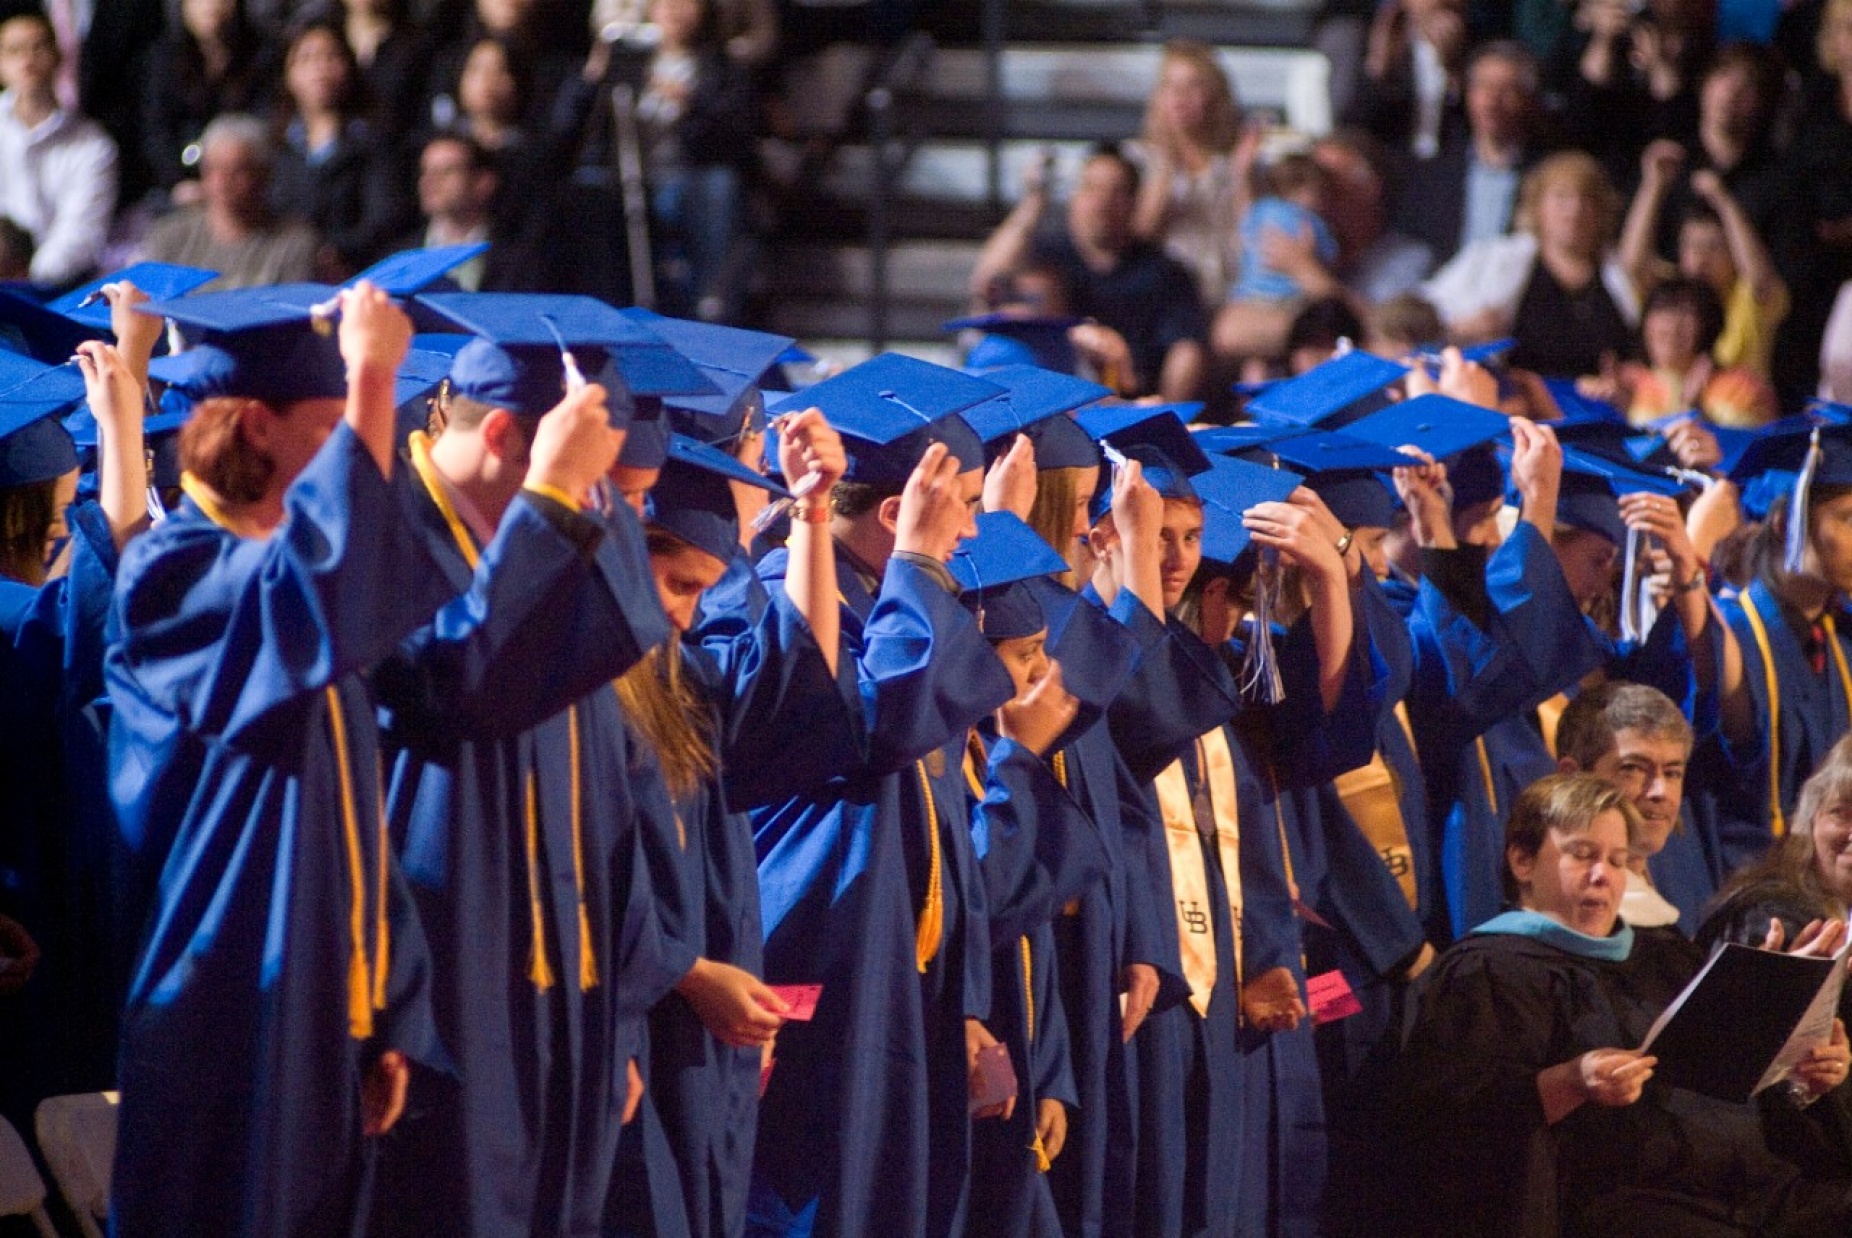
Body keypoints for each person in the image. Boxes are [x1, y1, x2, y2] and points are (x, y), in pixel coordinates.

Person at [104, 283, 455, 1237]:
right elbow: (328, 586)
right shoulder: (171, 574)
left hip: (326, 1016)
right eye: (334, 424)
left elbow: (352, 822)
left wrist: (389, 1010)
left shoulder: (277, 579)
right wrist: (376, 375)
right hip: (227, 1015)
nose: (356, 445)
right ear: (257, 426)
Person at [365, 318, 688, 1238]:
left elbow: (609, 800)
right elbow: (459, 687)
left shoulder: (532, 544)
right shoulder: (383, 534)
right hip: (440, 1011)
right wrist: (551, 497)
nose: (592, 509)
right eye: (582, 478)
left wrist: (612, 1025)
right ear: (507, 437)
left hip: (560, 1015)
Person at [739, 355, 1019, 1238]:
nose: (973, 531)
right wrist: (923, 565)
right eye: (964, 506)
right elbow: (883, 723)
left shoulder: (896, 602)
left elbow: (938, 820)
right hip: (807, 984)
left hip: (899, 984)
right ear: (901, 514)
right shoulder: (763, 606)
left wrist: (965, 1002)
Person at [1391, 772, 1852, 1238]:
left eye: (1617, 860)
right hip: (1628, 1205)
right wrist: (1570, 1082)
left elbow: (1735, 1083)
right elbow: (1453, 1127)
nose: (1603, 876)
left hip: (1757, 1190)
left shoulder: (1664, 953)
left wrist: (1801, 1071)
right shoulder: (1487, 972)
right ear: (1522, 861)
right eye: (1582, 854)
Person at [610, 423, 865, 1238]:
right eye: (677, 585)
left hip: (693, 1029)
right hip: (631, 1017)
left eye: (700, 591)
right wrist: (685, 972)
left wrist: (813, 516)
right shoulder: (576, 689)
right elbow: (578, 870)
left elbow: (799, 690)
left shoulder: (674, 678)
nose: (686, 615)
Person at [0, 284, 155, 1129]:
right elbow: (112, 607)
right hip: (52, 946)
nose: (72, 530)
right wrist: (123, 428)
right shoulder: (27, 624)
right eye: (64, 515)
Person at [969, 144, 1208, 402]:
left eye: (1117, 192)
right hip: (1053, 400)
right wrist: (1033, 202)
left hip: (1133, 404)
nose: (1102, 202)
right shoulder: (1047, 257)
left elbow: (1187, 349)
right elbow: (987, 281)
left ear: (1134, 202)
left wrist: (1166, 416)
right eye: (1091, 188)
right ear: (1074, 196)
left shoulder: (1164, 273)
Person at [1421, 150, 1640, 378]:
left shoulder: (1619, 274)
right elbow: (1422, 311)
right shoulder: (1496, 260)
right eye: (1561, 197)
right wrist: (1462, 328)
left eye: (1586, 199)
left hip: (1599, 405)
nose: (1574, 210)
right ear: (1538, 205)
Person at [1621, 137, 1789, 384]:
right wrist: (1654, 184)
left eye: (1714, 247)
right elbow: (1633, 263)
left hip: (1738, 415)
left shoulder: (1749, 297)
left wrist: (1723, 200)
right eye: (1692, 246)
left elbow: (1759, 277)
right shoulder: (1672, 292)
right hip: (1672, 416)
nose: (1701, 258)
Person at [1555, 681, 1714, 933]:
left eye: (1672, 773)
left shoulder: (1680, 883)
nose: (1659, 792)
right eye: (1633, 769)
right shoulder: (1567, 912)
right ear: (1572, 777)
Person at [268, 21, 413, 279]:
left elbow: (383, 218)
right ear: (288, 73)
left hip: (354, 272)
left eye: (331, 56)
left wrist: (335, 250)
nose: (320, 68)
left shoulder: (375, 140)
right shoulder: (276, 145)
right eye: (307, 58)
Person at [1395, 41, 1548, 267]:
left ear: (1527, 99)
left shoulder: (1545, 173)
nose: (1491, 101)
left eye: (1506, 89)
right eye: (1483, 86)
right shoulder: (1433, 175)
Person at [1130, 40, 1255, 307]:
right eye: (1170, 85)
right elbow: (1140, 236)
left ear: (1215, 96)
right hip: (1167, 296)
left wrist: (1244, 174)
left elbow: (1252, 235)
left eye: (1193, 85)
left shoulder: (1235, 161)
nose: (1180, 96)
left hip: (1231, 290)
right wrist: (1165, 170)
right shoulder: (1139, 160)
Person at [0, 10, 116, 287]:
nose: (27, 61)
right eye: (14, 51)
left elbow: (81, 233)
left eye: (37, 48)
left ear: (58, 57)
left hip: (57, 289)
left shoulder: (93, 146)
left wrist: (29, 282)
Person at [139, 113, 319, 288]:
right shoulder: (170, 236)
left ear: (264, 174)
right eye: (213, 169)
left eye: (238, 171)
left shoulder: (294, 244)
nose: (222, 182)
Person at [139, 0, 277, 198]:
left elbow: (264, 124)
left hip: (245, 180)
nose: (210, 5)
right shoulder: (164, 59)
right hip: (182, 184)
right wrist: (177, 182)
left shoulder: (261, 55)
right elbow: (156, 131)